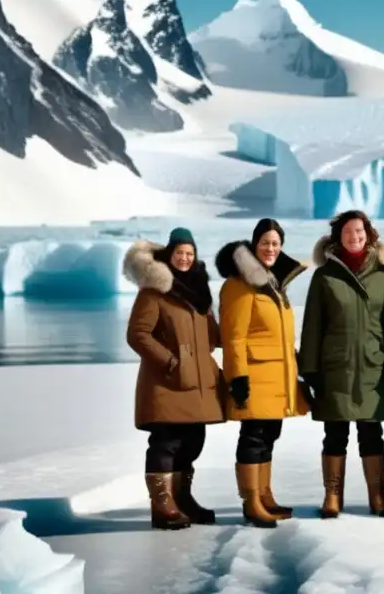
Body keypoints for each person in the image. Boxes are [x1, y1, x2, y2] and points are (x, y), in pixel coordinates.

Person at [298, 209, 384, 519]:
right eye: (347, 232)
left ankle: (378, 495)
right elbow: (312, 327)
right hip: (336, 368)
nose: (354, 237)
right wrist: (310, 371)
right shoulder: (325, 276)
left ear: (368, 235)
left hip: (374, 366)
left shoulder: (383, 276)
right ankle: (332, 496)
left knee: (372, 433)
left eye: (359, 232)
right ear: (338, 238)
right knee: (335, 434)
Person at [122, 228, 226, 531]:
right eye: (179, 252)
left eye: (189, 253)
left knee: (193, 442)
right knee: (166, 443)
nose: (184, 258)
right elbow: (137, 334)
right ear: (170, 255)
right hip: (167, 382)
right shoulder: (153, 291)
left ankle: (183, 500)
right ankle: (162, 505)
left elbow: (212, 336)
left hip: (198, 384)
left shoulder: (199, 294)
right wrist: (169, 361)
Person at [216, 218, 311, 529]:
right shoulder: (239, 283)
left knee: (269, 434)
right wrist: (237, 376)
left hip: (278, 374)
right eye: (265, 243)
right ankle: (251, 502)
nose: (271, 248)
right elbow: (234, 336)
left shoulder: (273, 283)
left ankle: (265, 496)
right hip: (255, 375)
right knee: (253, 437)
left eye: (276, 243)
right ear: (254, 245)